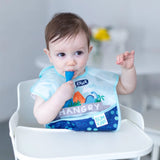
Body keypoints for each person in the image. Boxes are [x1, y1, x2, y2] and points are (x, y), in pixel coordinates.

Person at [31, 12, 136, 131]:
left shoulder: (95, 76)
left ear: (88, 51)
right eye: (61, 54)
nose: (71, 62)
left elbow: (126, 88)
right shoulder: (50, 82)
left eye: (78, 53)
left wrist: (128, 70)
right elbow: (41, 117)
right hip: (60, 143)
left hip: (96, 141)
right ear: (49, 56)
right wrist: (59, 96)